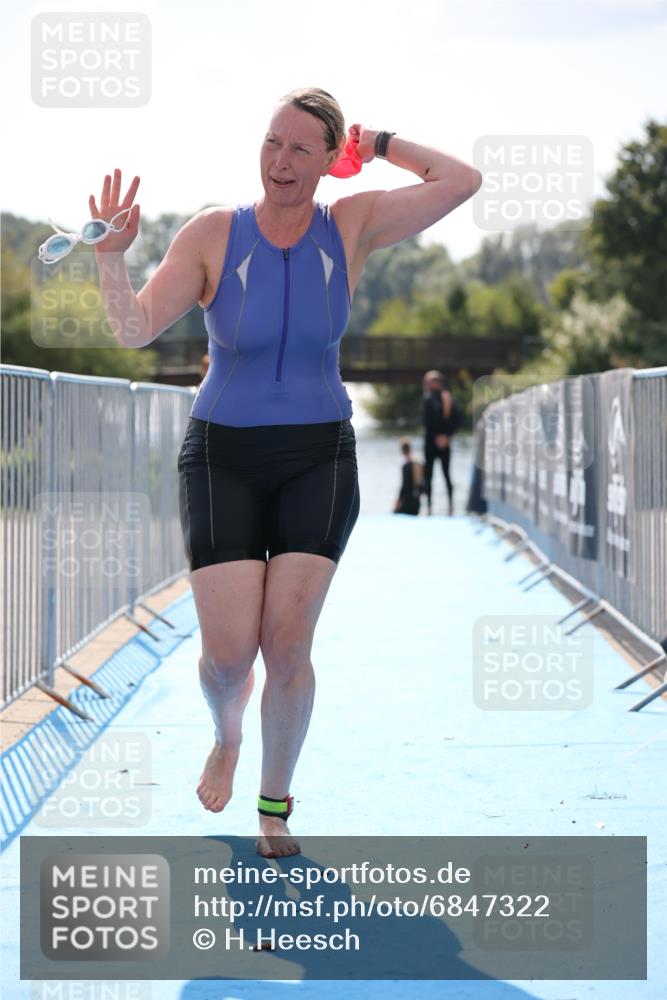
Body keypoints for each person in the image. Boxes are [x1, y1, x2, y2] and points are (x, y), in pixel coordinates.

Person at [89, 88, 482, 858]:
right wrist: (111, 257)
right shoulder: (214, 233)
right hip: (222, 458)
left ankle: (274, 804)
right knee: (227, 659)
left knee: (288, 645)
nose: (280, 160)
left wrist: (378, 142)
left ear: (329, 160)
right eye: (273, 142)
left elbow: (460, 181)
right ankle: (226, 734)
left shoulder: (351, 225)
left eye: (302, 148)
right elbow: (134, 329)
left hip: (317, 457)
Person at [421, 370, 461, 516]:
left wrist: (447, 436)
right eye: (430, 381)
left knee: (447, 475)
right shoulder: (426, 399)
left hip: (445, 443)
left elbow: (457, 420)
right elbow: (425, 421)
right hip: (430, 443)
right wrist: (436, 437)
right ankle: (429, 508)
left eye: (436, 381)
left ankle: (451, 507)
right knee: (428, 476)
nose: (433, 384)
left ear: (440, 382)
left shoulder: (447, 398)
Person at [393, 438, 423, 516]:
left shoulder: (406, 466)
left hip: (408, 502)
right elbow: (420, 486)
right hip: (417, 502)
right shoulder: (418, 462)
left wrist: (398, 501)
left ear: (402, 450)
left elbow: (404, 486)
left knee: (395, 513)